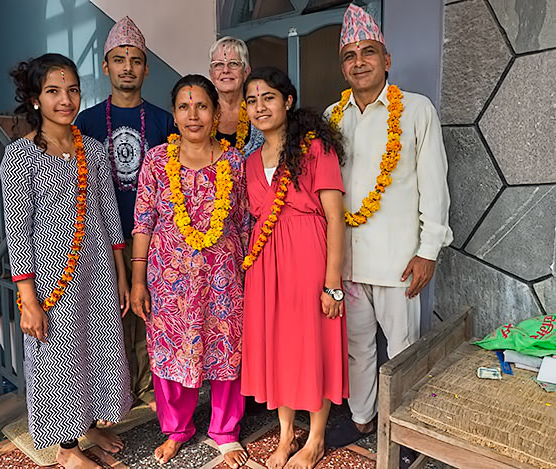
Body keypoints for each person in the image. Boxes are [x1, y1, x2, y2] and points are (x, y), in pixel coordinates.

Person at [323, 4, 453, 446]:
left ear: (387, 60)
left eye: (369, 52)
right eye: (350, 55)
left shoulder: (416, 111)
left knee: (402, 351)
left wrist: (428, 250)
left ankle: (403, 428)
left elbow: (435, 186)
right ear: (343, 66)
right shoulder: (331, 118)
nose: (359, 61)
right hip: (348, 263)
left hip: (400, 261)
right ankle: (360, 419)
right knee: (356, 347)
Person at [1, 53, 132, 468]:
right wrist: (29, 299)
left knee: (96, 350)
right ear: (36, 99)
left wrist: (124, 278)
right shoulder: (21, 157)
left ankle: (89, 423)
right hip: (51, 279)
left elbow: (110, 217)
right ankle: (67, 449)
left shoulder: (91, 150)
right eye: (54, 91)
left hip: (98, 274)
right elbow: (17, 230)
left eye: (72, 90)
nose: (66, 99)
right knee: (59, 360)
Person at [130, 75, 249, 468]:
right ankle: (177, 429)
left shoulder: (233, 161)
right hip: (169, 279)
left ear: (216, 112)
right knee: (170, 350)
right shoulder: (156, 160)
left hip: (224, 278)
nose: (193, 115)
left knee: (226, 350)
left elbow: (246, 221)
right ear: (175, 114)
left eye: (201, 106)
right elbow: (143, 221)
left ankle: (225, 432)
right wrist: (136, 280)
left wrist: (253, 275)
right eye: (184, 106)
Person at [241, 66, 349, 469]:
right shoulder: (251, 162)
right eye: (252, 100)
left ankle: (316, 438)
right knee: (278, 346)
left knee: (313, 344)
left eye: (268, 97)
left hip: (308, 255)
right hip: (265, 263)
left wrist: (332, 283)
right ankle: (286, 435)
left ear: (288, 101)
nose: (259, 107)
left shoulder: (315, 148)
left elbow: (335, 217)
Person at [75, 16, 175, 412]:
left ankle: (152, 391)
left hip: (157, 236)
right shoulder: (86, 122)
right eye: (119, 59)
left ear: (146, 68)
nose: (128, 67)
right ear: (106, 66)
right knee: (112, 317)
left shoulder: (166, 121)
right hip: (104, 238)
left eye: (135, 60)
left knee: (151, 314)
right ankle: (115, 395)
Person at [208, 36, 264, 158]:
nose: (226, 70)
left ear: (246, 72)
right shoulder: (202, 112)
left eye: (233, 63)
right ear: (211, 74)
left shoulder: (260, 111)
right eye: (218, 65)